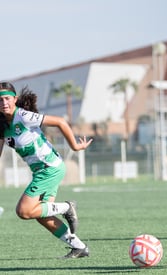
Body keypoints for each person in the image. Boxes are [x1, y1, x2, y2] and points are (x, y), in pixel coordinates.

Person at [0, 81, 92, 258]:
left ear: (15, 99)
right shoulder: (2, 125)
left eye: (7, 98)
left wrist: (74, 146)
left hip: (50, 168)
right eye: (0, 100)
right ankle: (79, 247)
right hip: (42, 171)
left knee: (24, 211)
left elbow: (60, 122)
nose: (3, 102)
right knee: (40, 214)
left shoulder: (23, 116)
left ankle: (67, 207)